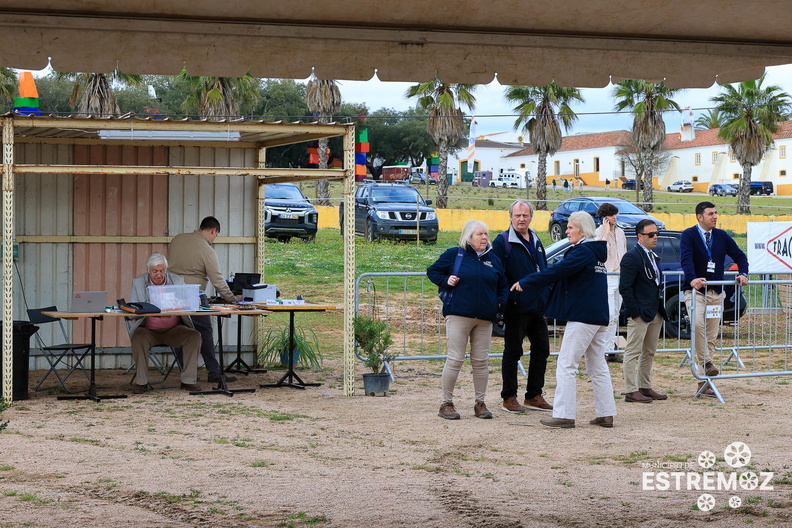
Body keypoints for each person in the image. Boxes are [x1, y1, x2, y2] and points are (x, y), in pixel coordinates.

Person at [511, 211, 616, 429]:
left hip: (583, 316)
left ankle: (564, 415)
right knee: (597, 365)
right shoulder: (595, 251)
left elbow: (557, 271)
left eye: (570, 227)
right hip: (597, 316)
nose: (566, 231)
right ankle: (606, 414)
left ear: (581, 229)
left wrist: (527, 281)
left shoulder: (583, 251)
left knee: (567, 364)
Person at [427, 220, 508, 420]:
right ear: (468, 237)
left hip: (484, 320)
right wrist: (446, 280)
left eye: (486, 234)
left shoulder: (493, 260)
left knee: (481, 362)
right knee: (455, 359)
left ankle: (480, 403)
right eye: (479, 234)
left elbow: (503, 286)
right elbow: (433, 271)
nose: (484, 238)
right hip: (459, 315)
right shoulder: (455, 255)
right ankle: (446, 403)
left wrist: (498, 304)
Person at [680, 202, 748, 396]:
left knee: (711, 335)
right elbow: (685, 258)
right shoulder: (689, 235)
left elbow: (740, 256)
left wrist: (743, 273)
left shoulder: (721, 236)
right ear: (699, 217)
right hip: (696, 292)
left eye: (716, 213)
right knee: (698, 326)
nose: (715, 216)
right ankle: (706, 363)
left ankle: (704, 381)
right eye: (711, 214)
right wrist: (692, 278)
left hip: (716, 293)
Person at [491, 200, 553, 413]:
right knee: (513, 352)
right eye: (517, 215)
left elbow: (543, 270)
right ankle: (509, 397)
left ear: (531, 217)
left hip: (537, 307)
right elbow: (497, 274)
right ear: (510, 216)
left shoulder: (535, 239)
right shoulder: (502, 241)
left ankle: (534, 395)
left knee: (542, 350)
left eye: (525, 215)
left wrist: (544, 296)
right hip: (515, 308)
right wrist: (508, 299)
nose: (521, 219)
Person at [168, 216, 241, 384]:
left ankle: (185, 370)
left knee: (178, 332)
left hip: (170, 295)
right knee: (205, 333)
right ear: (213, 231)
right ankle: (213, 371)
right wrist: (232, 299)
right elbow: (218, 281)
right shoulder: (207, 250)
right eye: (216, 235)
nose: (214, 240)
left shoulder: (177, 239)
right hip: (193, 295)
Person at [127, 253, 202, 394]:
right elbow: (132, 306)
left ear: (166, 270)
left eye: (161, 271)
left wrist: (180, 303)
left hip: (174, 329)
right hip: (148, 330)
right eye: (155, 271)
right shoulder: (138, 282)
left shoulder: (178, 280)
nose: (158, 275)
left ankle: (188, 380)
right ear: (148, 270)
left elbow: (195, 301)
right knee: (138, 337)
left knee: (194, 336)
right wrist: (146, 307)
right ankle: (141, 381)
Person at [619, 219, 667, 403]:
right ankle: (631, 390)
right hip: (640, 312)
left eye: (656, 234)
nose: (655, 237)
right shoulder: (632, 256)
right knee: (633, 351)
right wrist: (635, 312)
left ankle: (644, 386)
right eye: (651, 235)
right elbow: (625, 287)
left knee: (649, 351)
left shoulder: (652, 255)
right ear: (640, 237)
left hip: (655, 310)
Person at [594, 203, 627, 363]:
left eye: (615, 214)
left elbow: (624, 253)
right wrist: (606, 232)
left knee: (615, 315)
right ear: (604, 217)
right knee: (608, 315)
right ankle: (602, 350)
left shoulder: (621, 232)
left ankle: (611, 349)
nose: (614, 217)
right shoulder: (599, 233)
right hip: (607, 276)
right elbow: (599, 252)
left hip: (620, 275)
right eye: (610, 214)